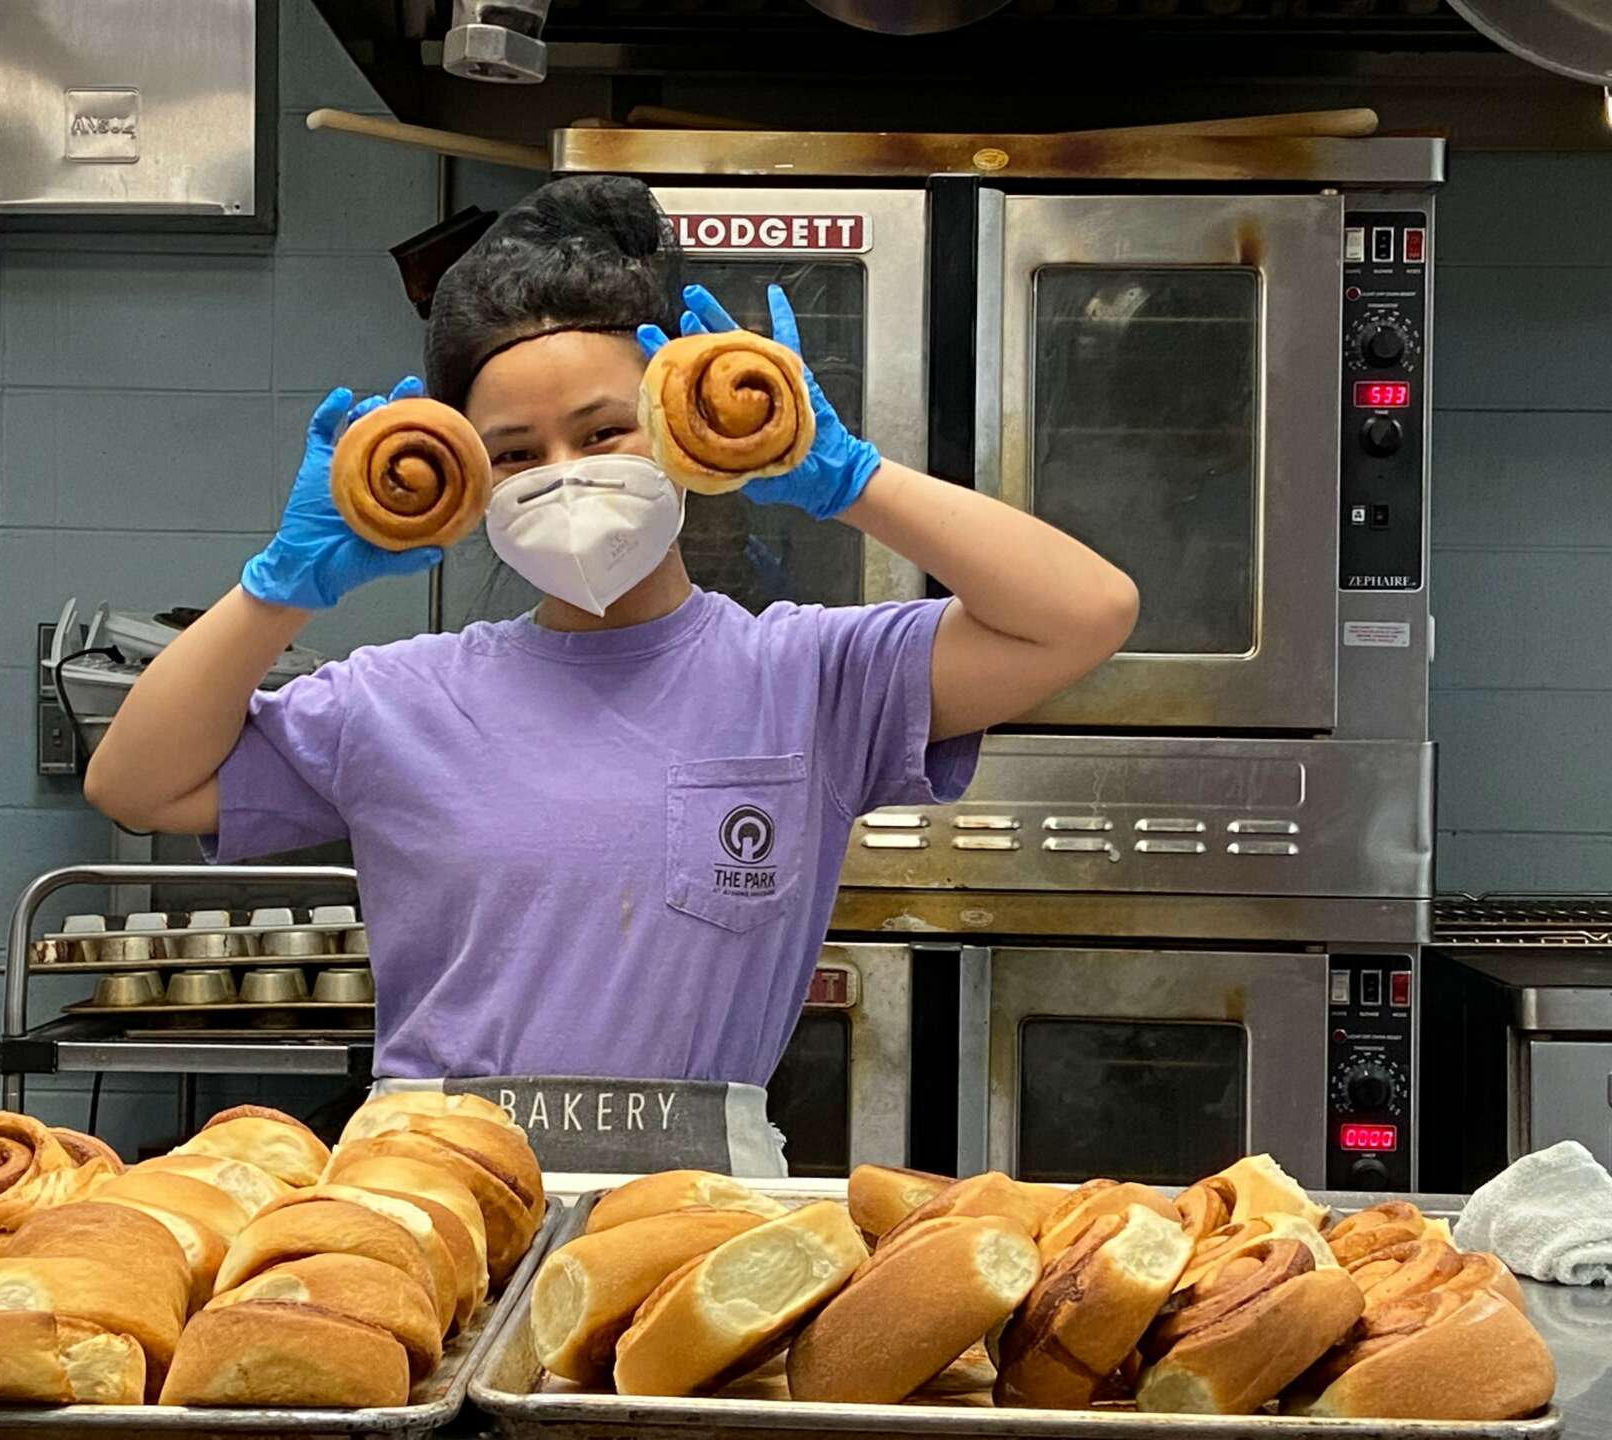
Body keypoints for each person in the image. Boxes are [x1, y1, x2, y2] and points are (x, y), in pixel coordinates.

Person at [85, 175, 1137, 1175]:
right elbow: (136, 785)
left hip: (694, 1212)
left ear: (678, 433)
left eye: (601, 432)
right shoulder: (395, 699)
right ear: (467, 482)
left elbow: (1083, 615)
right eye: (514, 453)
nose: (567, 477)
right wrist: (277, 590)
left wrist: (850, 479)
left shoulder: (809, 678)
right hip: (426, 1200)